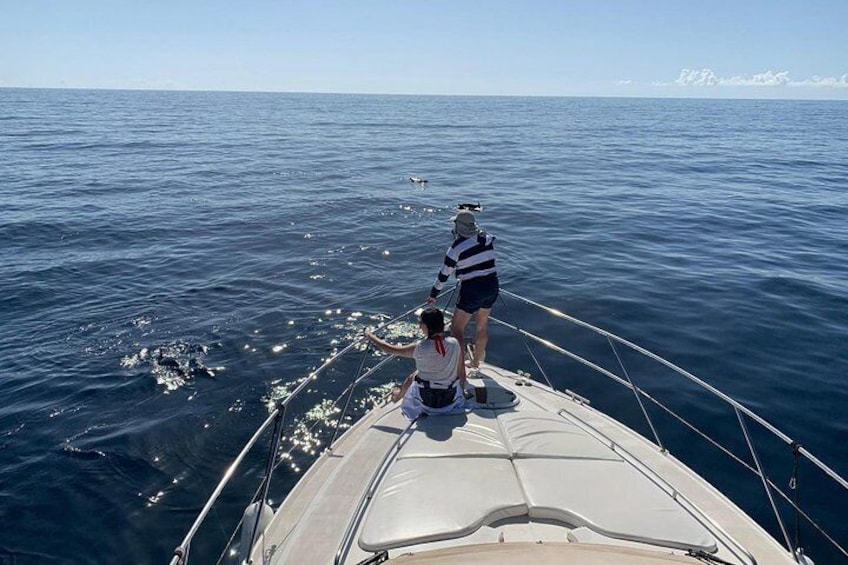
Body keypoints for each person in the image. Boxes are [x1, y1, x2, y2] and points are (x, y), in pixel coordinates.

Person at [427, 210, 499, 382]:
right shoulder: (487, 238)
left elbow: (444, 274)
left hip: (472, 289)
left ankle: (460, 372)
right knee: (482, 326)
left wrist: (433, 294)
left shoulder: (455, 248)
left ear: (458, 228)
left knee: (457, 329)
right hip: (491, 285)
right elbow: (487, 239)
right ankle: (475, 363)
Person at [365, 308, 466, 420]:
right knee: (414, 376)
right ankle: (399, 395)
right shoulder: (455, 343)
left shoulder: (420, 348)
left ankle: (398, 396)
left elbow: (391, 349)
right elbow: (460, 370)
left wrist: (370, 336)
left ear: (427, 326)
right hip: (449, 399)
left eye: (421, 322)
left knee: (414, 377)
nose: (419, 326)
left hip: (427, 401)